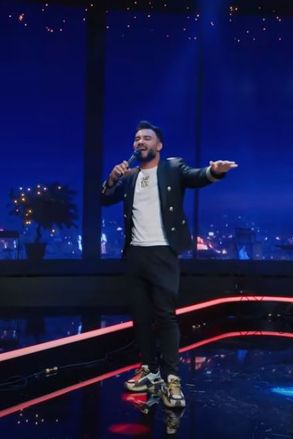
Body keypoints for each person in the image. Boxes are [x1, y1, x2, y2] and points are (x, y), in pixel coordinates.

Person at [101, 121, 237, 408]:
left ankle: (172, 378)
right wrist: (111, 180)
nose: (140, 142)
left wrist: (215, 171)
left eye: (146, 138)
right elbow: (104, 199)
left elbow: (197, 177)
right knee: (140, 317)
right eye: (137, 138)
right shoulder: (130, 176)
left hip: (163, 253)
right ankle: (149, 371)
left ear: (159, 145)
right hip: (135, 254)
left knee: (165, 316)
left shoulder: (173, 167)